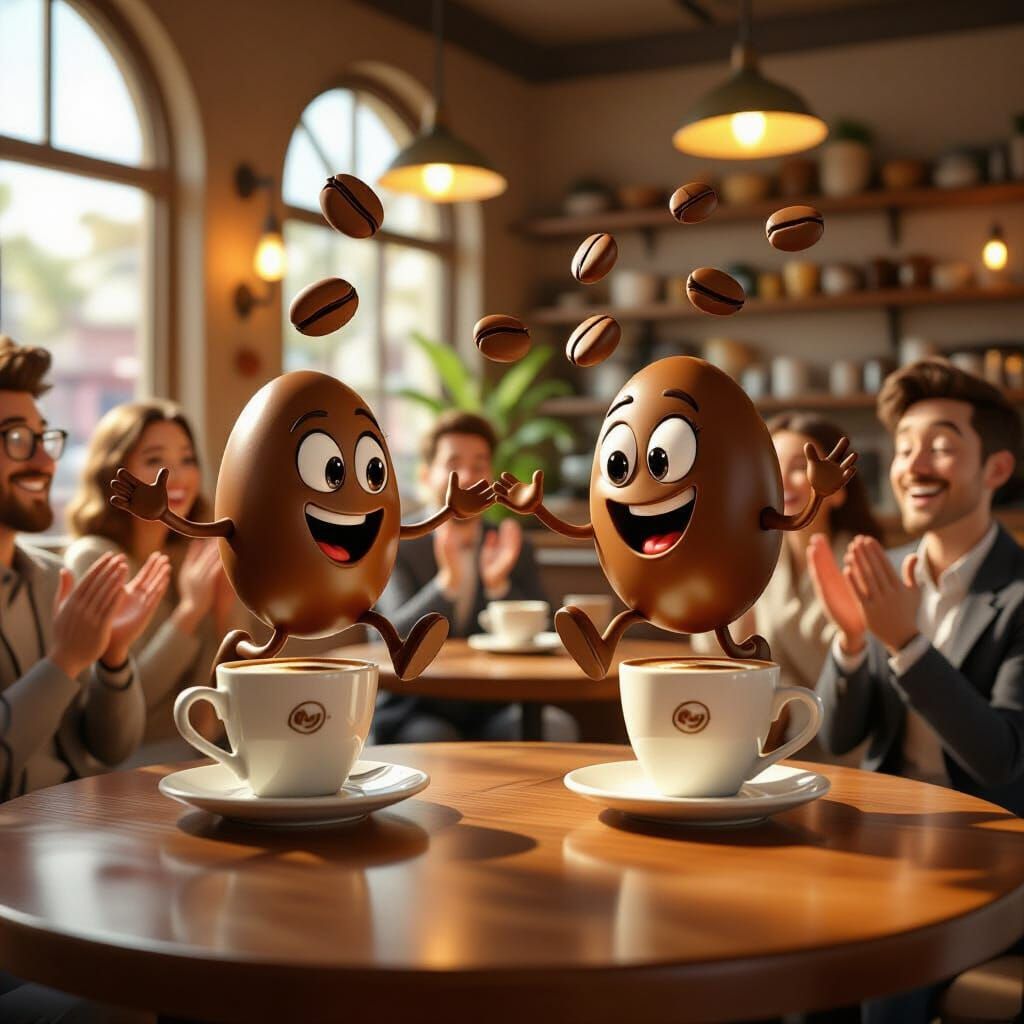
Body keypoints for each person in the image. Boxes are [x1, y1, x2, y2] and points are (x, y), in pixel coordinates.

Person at [809, 358, 1024, 1024]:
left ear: (995, 469)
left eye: (939, 445)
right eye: (904, 449)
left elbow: (1004, 756)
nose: (913, 464)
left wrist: (906, 644)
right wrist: (850, 641)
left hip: (988, 859)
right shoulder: (889, 577)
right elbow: (840, 738)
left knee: (882, 976)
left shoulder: (1019, 595)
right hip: (881, 839)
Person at [0, 336, 164, 1023]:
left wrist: (114, 658)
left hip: (73, 849)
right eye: (15, 439)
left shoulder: (50, 578)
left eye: (45, 437)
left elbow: (110, 746)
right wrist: (65, 661)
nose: (43, 458)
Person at [374, 410, 575, 742]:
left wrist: (499, 587)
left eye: (479, 465)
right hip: (416, 707)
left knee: (555, 728)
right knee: (435, 739)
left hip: (496, 704)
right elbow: (387, 638)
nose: (467, 476)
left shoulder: (514, 544)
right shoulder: (399, 545)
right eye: (453, 463)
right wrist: (447, 584)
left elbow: (547, 631)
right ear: (426, 476)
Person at [695, 413, 883, 764]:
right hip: (773, 750)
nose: (783, 480)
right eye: (772, 467)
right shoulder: (759, 561)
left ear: (840, 489)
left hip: (850, 756)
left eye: (800, 466)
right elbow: (715, 659)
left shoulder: (863, 564)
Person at [64, 400, 231, 762]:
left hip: (195, 755)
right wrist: (189, 612)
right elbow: (123, 705)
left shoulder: (188, 559)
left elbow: (209, 721)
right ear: (115, 472)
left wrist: (222, 616)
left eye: (187, 460)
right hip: (124, 767)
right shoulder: (94, 558)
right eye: (155, 460)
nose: (176, 476)